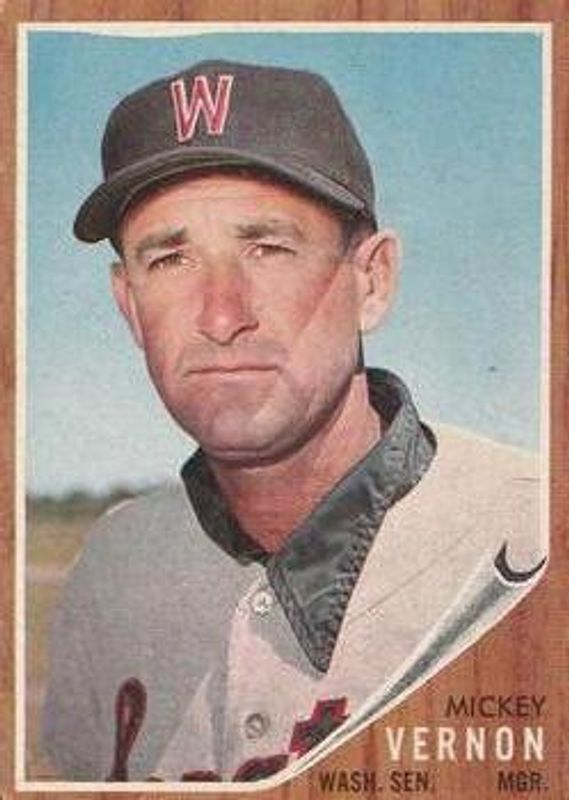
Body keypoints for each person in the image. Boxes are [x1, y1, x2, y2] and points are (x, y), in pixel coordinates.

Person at [41, 59, 546, 784]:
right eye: (171, 258)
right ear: (128, 305)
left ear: (371, 281)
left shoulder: (532, 536)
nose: (221, 316)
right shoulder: (115, 564)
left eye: (268, 249)